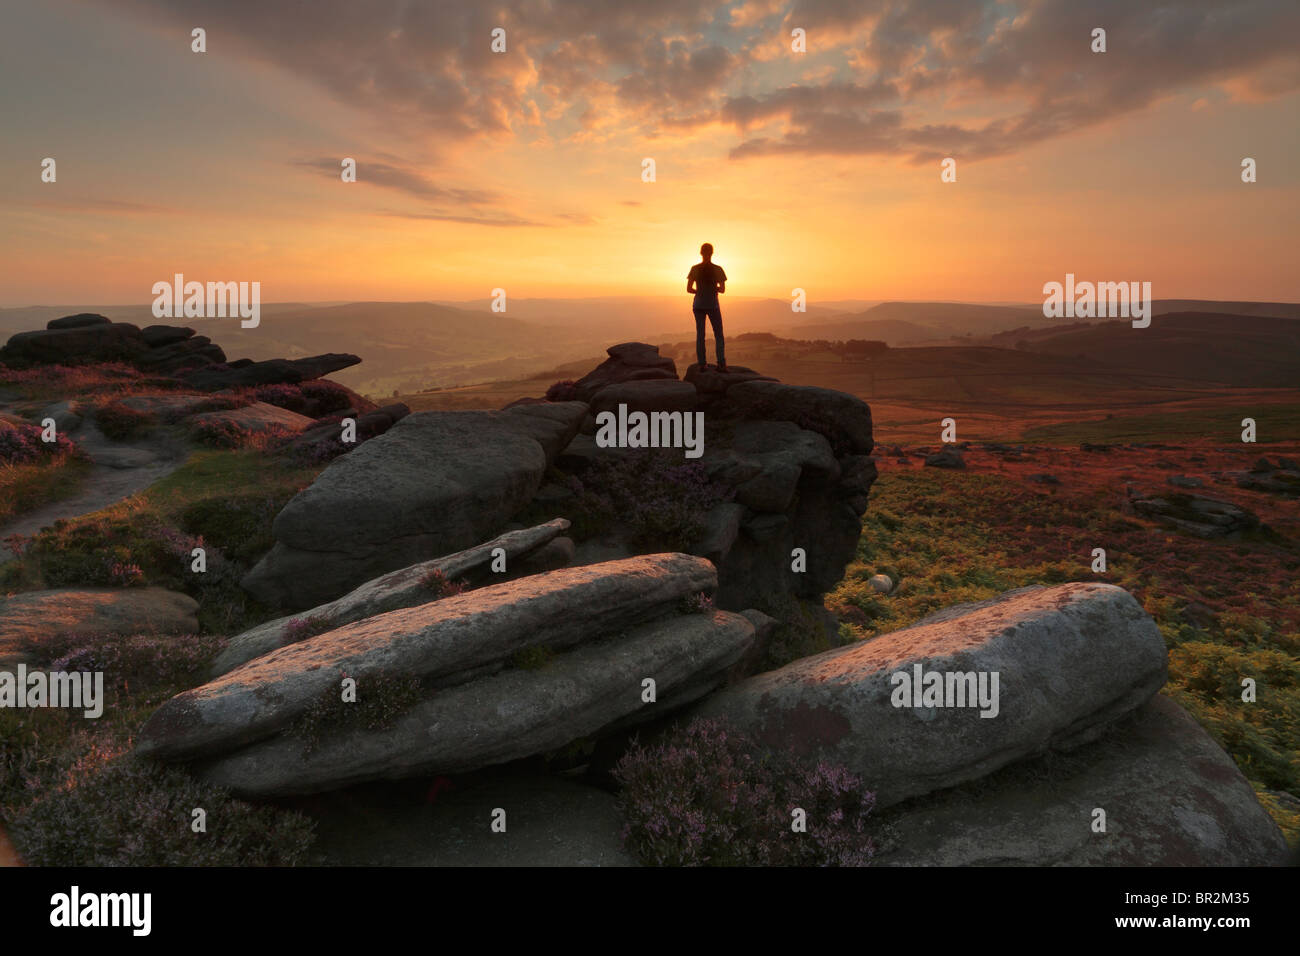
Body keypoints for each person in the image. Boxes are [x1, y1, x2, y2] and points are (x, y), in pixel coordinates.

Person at [687, 243, 727, 371]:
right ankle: (721, 364)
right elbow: (722, 290)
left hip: (698, 305)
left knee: (700, 335)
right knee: (718, 334)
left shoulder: (695, 269)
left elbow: (688, 289)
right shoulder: (718, 269)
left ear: (701, 253)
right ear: (712, 253)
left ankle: (702, 364)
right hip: (713, 305)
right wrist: (713, 288)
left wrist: (699, 292)